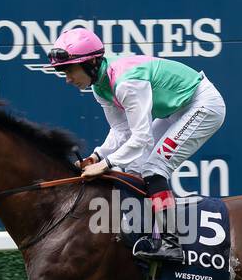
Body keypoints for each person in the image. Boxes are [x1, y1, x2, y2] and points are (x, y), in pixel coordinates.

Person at [47, 26, 226, 265]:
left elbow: (141, 138)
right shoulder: (100, 85)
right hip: (176, 109)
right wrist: (97, 156)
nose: (67, 79)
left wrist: (105, 165)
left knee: (154, 168)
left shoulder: (125, 83)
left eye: (69, 71)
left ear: (90, 63)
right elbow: (122, 131)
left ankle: (171, 242)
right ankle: (144, 233)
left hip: (202, 105)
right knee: (134, 168)